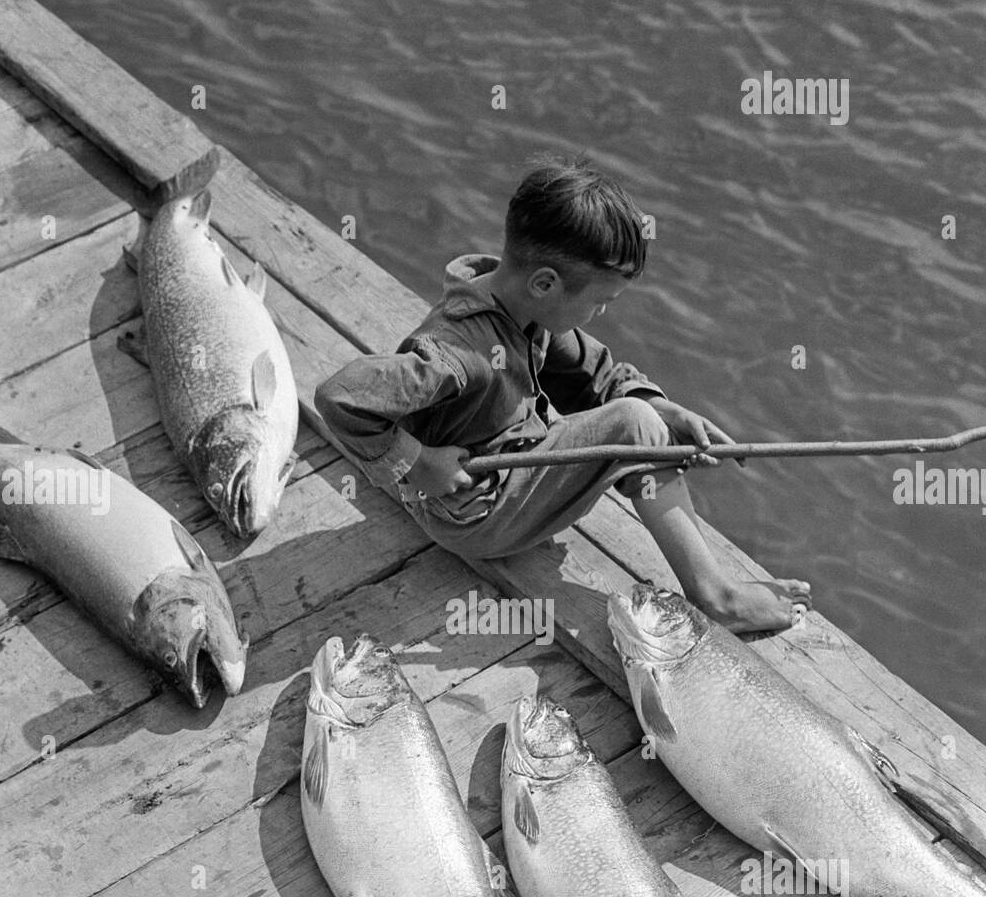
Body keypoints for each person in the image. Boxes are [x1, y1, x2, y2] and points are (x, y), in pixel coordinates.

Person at [315, 157, 810, 632]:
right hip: (474, 516)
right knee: (631, 425)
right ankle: (716, 596)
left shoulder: (521, 306)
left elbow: (594, 374)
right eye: (601, 302)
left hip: (507, 474)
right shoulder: (458, 353)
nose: (601, 315)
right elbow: (340, 397)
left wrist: (664, 411)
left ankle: (706, 567)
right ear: (546, 283)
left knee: (643, 416)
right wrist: (421, 463)